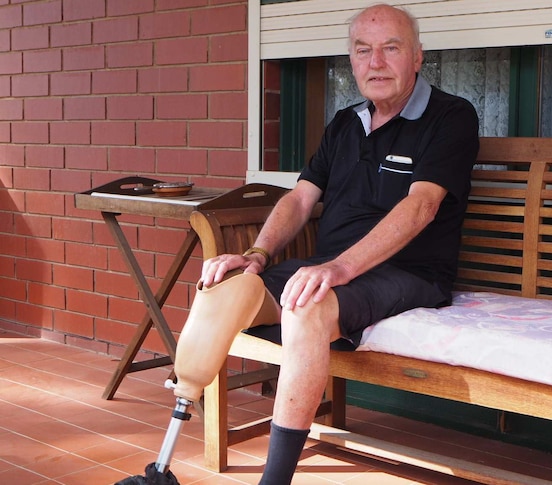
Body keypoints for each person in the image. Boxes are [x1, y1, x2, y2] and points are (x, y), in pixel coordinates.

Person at [190, 4, 479, 483]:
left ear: (417, 57)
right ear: (352, 60)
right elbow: (301, 199)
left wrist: (339, 270)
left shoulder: (450, 116)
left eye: (391, 48)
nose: (376, 62)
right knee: (223, 289)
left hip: (409, 272)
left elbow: (422, 206)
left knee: (306, 307)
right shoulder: (346, 123)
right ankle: (173, 434)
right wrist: (256, 255)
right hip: (332, 268)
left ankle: (274, 479)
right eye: (363, 51)